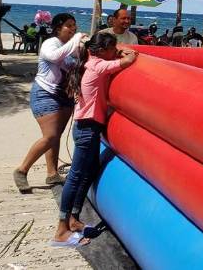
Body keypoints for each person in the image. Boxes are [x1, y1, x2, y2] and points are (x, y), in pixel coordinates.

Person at [51, 33, 137, 247]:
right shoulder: (98, 67)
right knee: (75, 176)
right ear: (101, 51)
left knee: (87, 172)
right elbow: (130, 58)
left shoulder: (90, 62)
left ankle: (73, 218)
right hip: (87, 128)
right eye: (112, 49)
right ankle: (61, 230)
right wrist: (122, 52)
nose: (114, 51)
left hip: (86, 126)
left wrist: (114, 51)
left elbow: (117, 57)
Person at [14, 13, 86, 193]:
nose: (73, 29)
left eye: (74, 26)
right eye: (69, 26)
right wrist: (76, 39)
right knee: (50, 136)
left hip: (65, 96)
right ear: (57, 28)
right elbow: (55, 57)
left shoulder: (73, 47)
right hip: (45, 94)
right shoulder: (50, 43)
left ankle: (52, 173)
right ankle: (21, 170)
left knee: (56, 136)